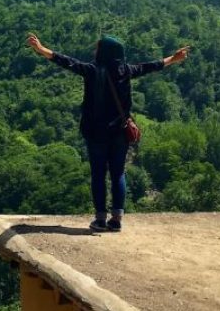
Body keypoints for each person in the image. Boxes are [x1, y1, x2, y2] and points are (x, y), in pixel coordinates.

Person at [26, 33, 190, 232]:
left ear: (104, 52)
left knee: (98, 174)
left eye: (97, 48)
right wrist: (173, 59)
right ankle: (117, 220)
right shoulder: (126, 71)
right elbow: (151, 66)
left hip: (96, 133)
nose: (94, 51)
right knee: (118, 173)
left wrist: (42, 50)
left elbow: (68, 62)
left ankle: (100, 219)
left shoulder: (92, 70)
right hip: (120, 133)